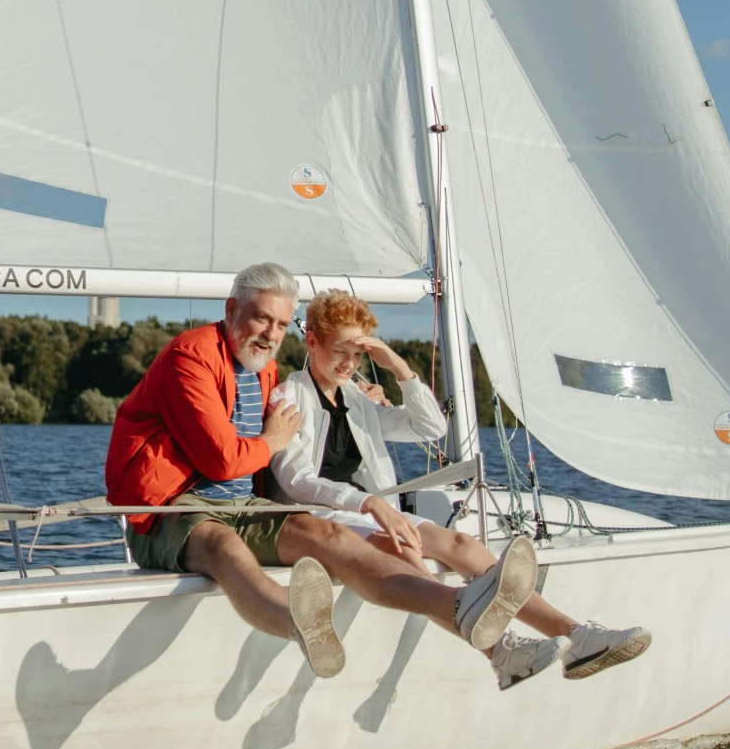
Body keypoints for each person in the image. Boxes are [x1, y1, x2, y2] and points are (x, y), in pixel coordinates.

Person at [105, 261, 551, 687]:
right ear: (230, 309)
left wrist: (392, 374)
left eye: (281, 325)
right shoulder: (192, 357)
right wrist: (275, 442)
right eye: (262, 319)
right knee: (224, 545)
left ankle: (467, 609)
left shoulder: (267, 371)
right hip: (171, 508)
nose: (271, 334)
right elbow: (225, 461)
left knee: (327, 536)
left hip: (244, 504)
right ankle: (298, 625)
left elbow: (429, 427)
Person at [268, 289, 651, 683]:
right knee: (404, 551)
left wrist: (399, 368)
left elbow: (430, 427)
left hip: (374, 512)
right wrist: (368, 505)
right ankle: (501, 653)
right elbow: (297, 481)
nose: (349, 364)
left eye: (358, 355)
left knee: (464, 546)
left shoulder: (358, 400)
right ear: (312, 341)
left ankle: (575, 636)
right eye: (340, 352)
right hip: (325, 517)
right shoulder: (287, 398)